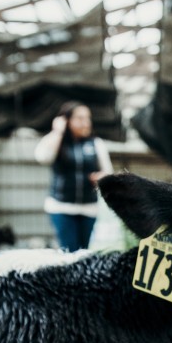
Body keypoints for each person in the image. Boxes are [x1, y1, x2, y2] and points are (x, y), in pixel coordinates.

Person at [35, 101, 113, 252]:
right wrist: (57, 131)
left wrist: (101, 178)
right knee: (69, 251)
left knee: (84, 252)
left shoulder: (96, 144)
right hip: (61, 207)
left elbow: (108, 172)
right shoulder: (57, 142)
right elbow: (43, 157)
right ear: (66, 120)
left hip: (89, 208)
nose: (86, 123)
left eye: (88, 118)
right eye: (80, 118)